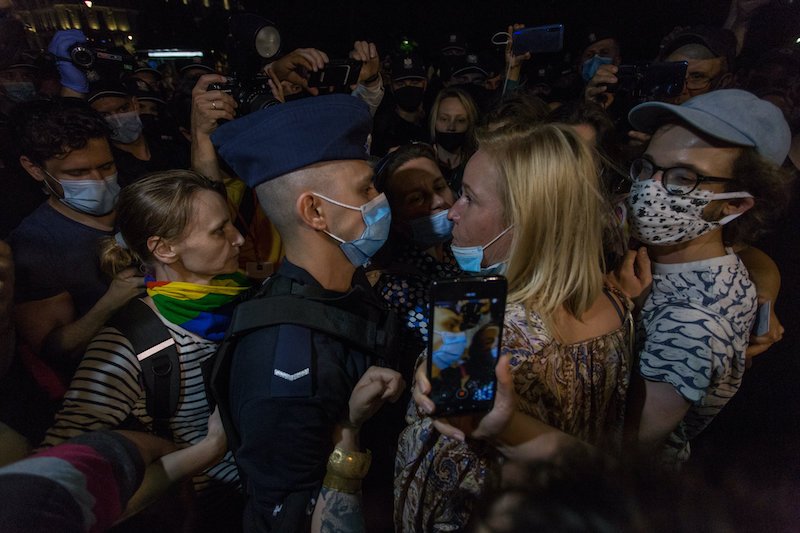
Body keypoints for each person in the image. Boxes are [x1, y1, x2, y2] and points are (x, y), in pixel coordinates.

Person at [395, 122, 634, 531]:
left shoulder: (484, 335)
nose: (452, 211)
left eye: (469, 198)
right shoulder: (617, 302)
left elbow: (436, 487)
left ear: (526, 221)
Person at [209, 93, 402, 532]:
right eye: (365, 190)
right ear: (314, 211)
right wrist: (350, 434)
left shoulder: (346, 290)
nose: (378, 199)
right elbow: (293, 518)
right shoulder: (286, 363)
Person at [41, 170, 247, 526]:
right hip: (214, 507)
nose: (239, 239)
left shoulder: (238, 296)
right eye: (220, 231)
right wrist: (208, 450)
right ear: (164, 248)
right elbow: (58, 481)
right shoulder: (132, 345)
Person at [620, 89, 792, 467]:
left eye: (684, 179)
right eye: (648, 169)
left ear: (736, 204)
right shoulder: (666, 246)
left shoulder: (694, 326)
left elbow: (621, 451)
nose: (650, 190)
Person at [10, 98, 144, 379]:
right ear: (34, 169)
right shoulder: (34, 246)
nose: (98, 179)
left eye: (106, 166)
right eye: (77, 173)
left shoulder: (140, 201)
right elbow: (53, 350)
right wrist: (109, 303)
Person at [371, 142, 462, 379]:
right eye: (416, 198)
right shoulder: (399, 290)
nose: (438, 202)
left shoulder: (459, 254)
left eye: (440, 187)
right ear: (395, 217)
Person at [429, 87, 479, 192]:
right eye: (444, 119)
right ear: (434, 121)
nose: (451, 127)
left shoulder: (476, 166)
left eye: (460, 120)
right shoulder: (422, 164)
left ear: (469, 124)